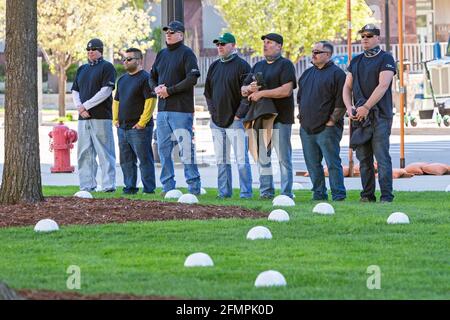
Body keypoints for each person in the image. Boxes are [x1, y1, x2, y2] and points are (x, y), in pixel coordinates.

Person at [343, 24, 396, 203]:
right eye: (363, 35)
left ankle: (386, 196)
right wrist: (349, 107)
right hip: (359, 116)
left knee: (382, 157)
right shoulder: (356, 61)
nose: (365, 38)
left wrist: (366, 107)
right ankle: (367, 196)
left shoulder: (386, 58)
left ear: (377, 38)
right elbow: (347, 87)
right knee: (364, 158)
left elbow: (383, 85)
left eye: (369, 35)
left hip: (380, 116)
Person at [148, 20, 202, 195]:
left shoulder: (187, 54)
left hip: (181, 110)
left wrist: (169, 91)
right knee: (163, 151)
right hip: (163, 111)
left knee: (186, 150)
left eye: (172, 32)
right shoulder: (162, 54)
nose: (168, 34)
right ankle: (168, 187)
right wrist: (156, 88)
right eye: (167, 32)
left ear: (181, 35)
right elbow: (152, 76)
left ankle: (194, 187)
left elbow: (192, 79)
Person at [241, 33, 296, 199]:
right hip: (261, 117)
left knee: (283, 159)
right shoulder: (258, 65)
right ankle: (266, 192)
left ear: (279, 46)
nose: (265, 45)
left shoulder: (285, 65)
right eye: (264, 42)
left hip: (281, 118)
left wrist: (262, 93)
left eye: (270, 42)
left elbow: (286, 90)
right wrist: (249, 88)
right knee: (263, 157)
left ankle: (286, 194)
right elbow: (243, 90)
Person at [204, 32, 252, 199]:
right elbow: (207, 93)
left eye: (223, 44)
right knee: (221, 160)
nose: (220, 46)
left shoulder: (243, 66)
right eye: (218, 44)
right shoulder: (214, 66)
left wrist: (238, 116)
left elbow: (248, 96)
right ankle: (224, 192)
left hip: (235, 121)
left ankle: (246, 193)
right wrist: (212, 113)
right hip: (217, 122)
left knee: (241, 160)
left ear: (233, 45)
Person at [297, 41, 347, 201]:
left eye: (318, 52)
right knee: (312, 164)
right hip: (306, 128)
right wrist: (301, 118)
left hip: (327, 129)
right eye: (313, 51)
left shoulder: (337, 74)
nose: (314, 54)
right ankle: (319, 193)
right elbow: (300, 98)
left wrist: (332, 121)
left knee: (332, 163)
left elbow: (342, 102)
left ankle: (338, 195)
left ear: (328, 54)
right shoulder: (306, 74)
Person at [72, 38, 117, 192]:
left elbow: (106, 91)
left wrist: (86, 105)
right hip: (83, 118)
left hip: (101, 116)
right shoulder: (82, 69)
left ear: (101, 51)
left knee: (105, 152)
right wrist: (80, 108)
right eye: (88, 49)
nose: (90, 52)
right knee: (84, 153)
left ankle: (108, 186)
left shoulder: (107, 67)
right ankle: (87, 186)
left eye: (94, 49)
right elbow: (75, 90)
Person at [113, 48, 156, 195]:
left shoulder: (146, 78)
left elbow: (150, 101)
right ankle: (129, 188)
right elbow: (116, 101)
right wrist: (115, 119)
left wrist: (142, 122)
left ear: (138, 60)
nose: (125, 61)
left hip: (139, 128)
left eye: (129, 59)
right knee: (126, 161)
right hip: (122, 128)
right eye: (124, 59)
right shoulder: (122, 79)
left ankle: (149, 190)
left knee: (144, 160)